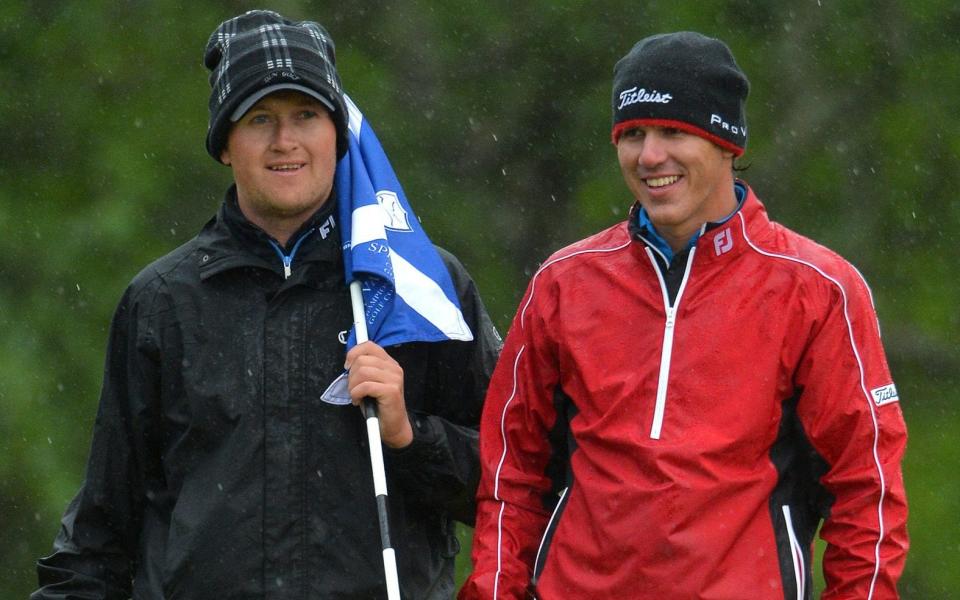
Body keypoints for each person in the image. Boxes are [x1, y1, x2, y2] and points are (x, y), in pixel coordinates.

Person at [33, 10, 500, 600]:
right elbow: (100, 533)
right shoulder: (162, 301)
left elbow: (515, 489)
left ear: (337, 133)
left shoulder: (419, 286)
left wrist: (412, 435)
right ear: (225, 145)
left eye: (306, 115)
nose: (286, 141)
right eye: (260, 119)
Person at [460, 31, 908, 599]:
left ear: (727, 144)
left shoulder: (818, 289)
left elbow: (867, 490)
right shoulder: (562, 283)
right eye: (632, 134)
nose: (650, 156)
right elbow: (510, 475)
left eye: (674, 131)